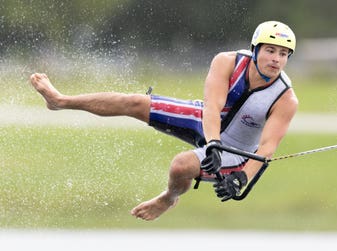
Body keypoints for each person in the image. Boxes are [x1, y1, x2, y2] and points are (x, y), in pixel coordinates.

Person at [30, 20, 298, 221]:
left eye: (283, 54)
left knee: (180, 166)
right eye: (270, 50)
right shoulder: (226, 62)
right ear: (255, 49)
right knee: (134, 102)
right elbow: (212, 108)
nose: (276, 59)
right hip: (205, 120)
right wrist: (212, 142)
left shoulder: (286, 98)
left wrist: (241, 178)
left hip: (235, 151)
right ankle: (60, 101)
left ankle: (168, 198)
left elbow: (266, 149)